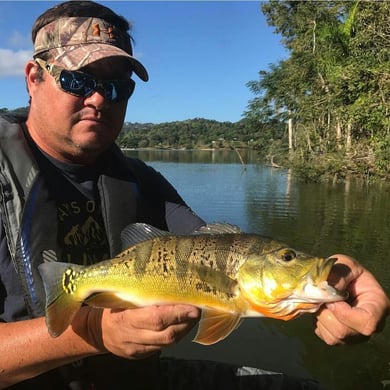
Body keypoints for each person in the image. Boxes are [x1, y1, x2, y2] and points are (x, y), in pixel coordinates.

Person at [0, 1, 388, 389]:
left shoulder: (138, 181)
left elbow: (222, 254)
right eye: (78, 80)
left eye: (117, 86)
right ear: (34, 77)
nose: (99, 99)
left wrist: (334, 276)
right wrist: (92, 330)